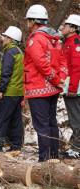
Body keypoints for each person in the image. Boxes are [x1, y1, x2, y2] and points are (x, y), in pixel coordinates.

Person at [24, 5, 67, 162]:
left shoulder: (36, 39)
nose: (27, 24)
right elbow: (63, 62)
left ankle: (44, 159)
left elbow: (41, 63)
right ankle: (54, 157)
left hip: (38, 87)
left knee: (41, 125)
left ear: (34, 21)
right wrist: (60, 79)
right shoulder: (55, 40)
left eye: (28, 21)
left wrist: (55, 79)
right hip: (53, 89)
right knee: (51, 122)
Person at [0, 26, 24, 152]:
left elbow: (6, 72)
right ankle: (16, 146)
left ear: (10, 39)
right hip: (18, 92)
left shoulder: (9, 53)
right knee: (16, 120)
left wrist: (1, 90)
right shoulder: (19, 52)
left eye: (5, 37)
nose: (3, 39)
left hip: (9, 91)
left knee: (1, 119)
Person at [60, 14, 80, 158]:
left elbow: (76, 67)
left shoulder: (75, 43)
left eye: (66, 25)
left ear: (73, 28)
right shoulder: (68, 42)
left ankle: (77, 149)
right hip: (70, 87)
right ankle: (75, 146)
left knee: (76, 119)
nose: (63, 27)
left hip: (75, 89)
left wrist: (72, 88)